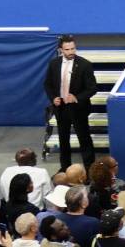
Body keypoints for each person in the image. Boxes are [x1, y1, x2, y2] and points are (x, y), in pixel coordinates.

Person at [43, 35, 98, 172]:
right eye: (67, 49)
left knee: (84, 139)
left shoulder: (85, 64)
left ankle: (90, 170)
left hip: (78, 108)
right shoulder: (54, 64)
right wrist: (53, 98)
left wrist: (77, 97)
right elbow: (48, 84)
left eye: (73, 48)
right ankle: (65, 168)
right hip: (61, 108)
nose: (71, 52)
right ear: (61, 50)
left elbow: (92, 88)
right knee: (63, 139)